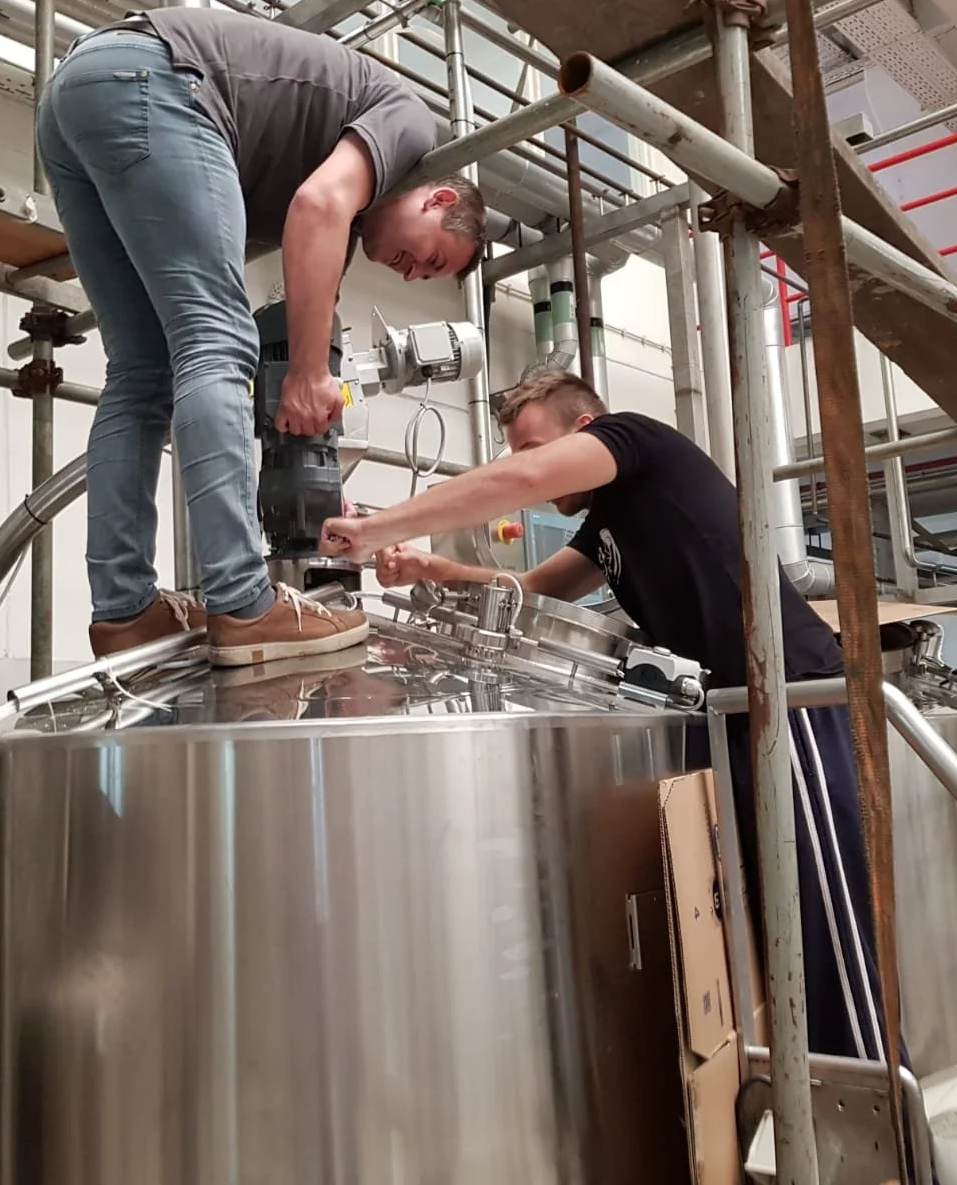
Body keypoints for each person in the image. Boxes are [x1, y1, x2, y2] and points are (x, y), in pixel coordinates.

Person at [320, 370, 888, 1061]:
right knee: (776, 928)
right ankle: (812, 1107)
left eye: (532, 446)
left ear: (583, 432)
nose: (527, 465)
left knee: (826, 928)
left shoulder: (637, 443)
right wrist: (433, 570)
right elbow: (530, 590)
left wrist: (377, 525)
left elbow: (513, 485)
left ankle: (878, 1114)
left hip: (793, 700)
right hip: (733, 713)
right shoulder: (608, 524)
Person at [36, 6, 487, 666]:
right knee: (215, 342)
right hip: (154, 78)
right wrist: (307, 375)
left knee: (141, 371)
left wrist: (311, 411)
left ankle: (124, 612)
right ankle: (244, 602)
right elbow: (318, 208)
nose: (416, 274)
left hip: (72, 98)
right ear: (438, 200)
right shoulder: (412, 128)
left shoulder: (336, 185)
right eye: (434, 259)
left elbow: (314, 255)